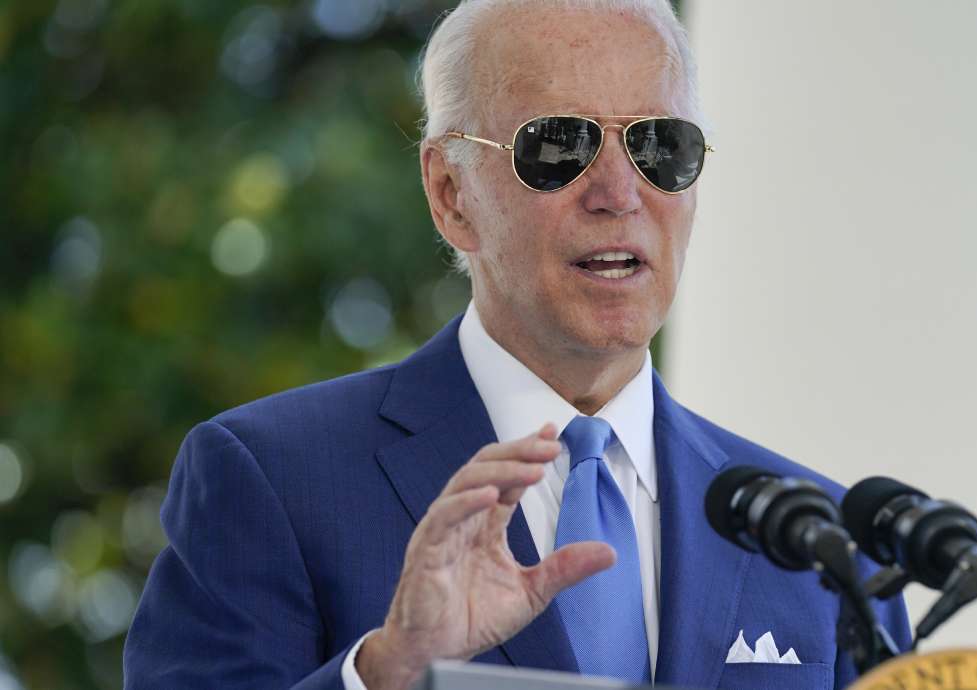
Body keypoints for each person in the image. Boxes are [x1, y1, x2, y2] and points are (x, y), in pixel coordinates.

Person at [123, 1, 909, 688]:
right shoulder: (272, 478)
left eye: (659, 145)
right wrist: (385, 672)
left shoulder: (822, 540)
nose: (618, 193)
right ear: (450, 194)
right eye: (559, 146)